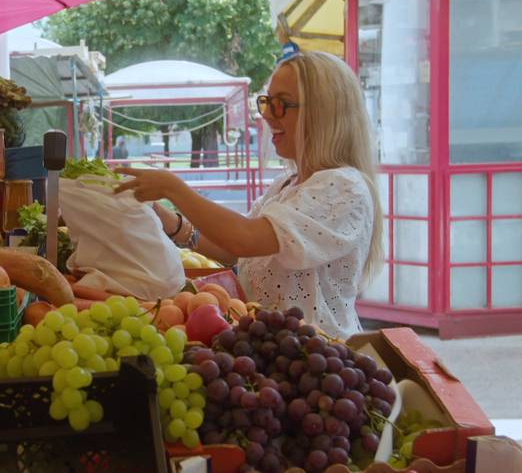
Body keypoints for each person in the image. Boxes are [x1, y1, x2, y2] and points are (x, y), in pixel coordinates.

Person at [114, 51, 383, 339]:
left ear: (322, 113)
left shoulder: (343, 186)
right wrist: (172, 223)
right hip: (272, 350)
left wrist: (173, 188)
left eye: (280, 104)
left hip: (317, 360)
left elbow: (243, 238)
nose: (266, 114)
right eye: (266, 102)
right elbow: (233, 252)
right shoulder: (287, 184)